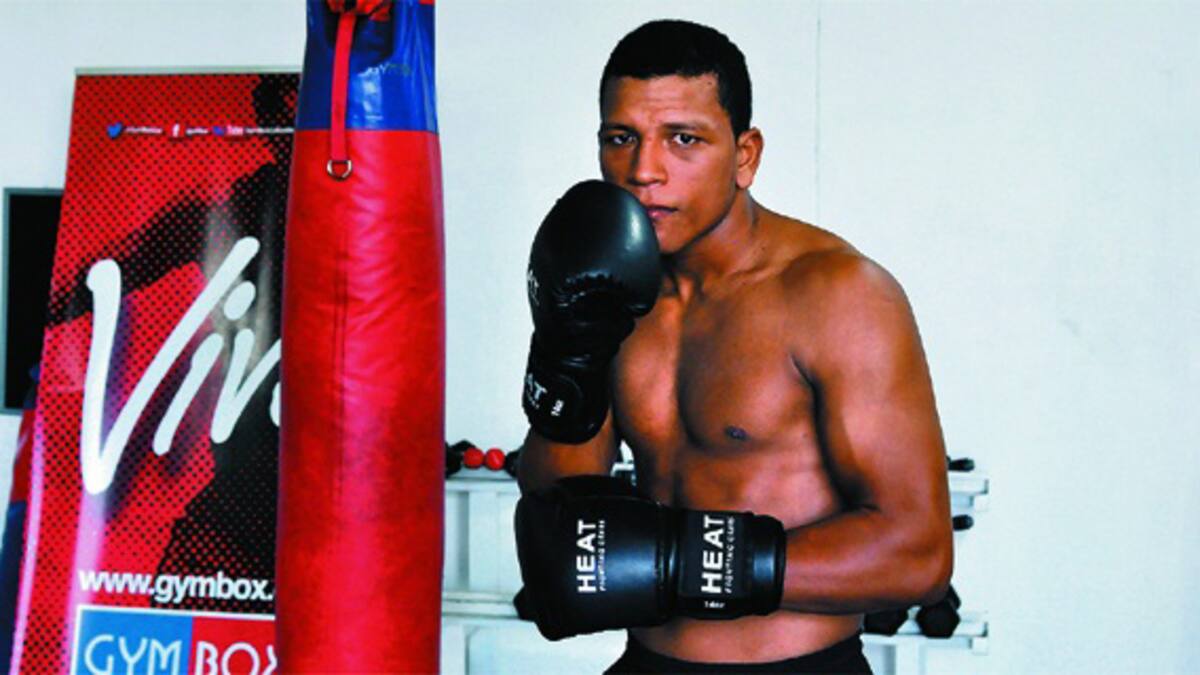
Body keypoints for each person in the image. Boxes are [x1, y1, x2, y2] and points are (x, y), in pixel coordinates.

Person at [515, 19, 953, 674]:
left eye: (684, 139)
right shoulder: (612, 288)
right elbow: (557, 512)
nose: (644, 171)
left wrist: (690, 561)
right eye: (621, 138)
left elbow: (918, 555)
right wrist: (564, 358)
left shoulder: (838, 295)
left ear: (745, 155)